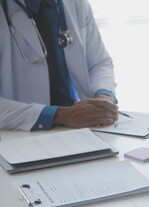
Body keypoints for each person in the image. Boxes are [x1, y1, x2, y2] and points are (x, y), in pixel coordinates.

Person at [0, 0, 118, 131]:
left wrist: (103, 97)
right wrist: (60, 115)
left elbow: (99, 63)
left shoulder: (75, 4)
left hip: (78, 129)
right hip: (16, 134)